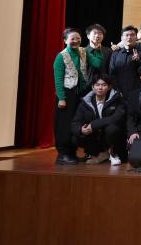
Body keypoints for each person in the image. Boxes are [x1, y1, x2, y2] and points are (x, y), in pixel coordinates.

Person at [71, 72, 127, 166]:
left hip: (113, 137)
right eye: (97, 85)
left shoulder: (117, 99)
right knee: (75, 137)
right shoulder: (85, 102)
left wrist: (94, 125)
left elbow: (117, 118)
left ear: (109, 87)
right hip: (95, 136)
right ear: (93, 87)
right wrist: (81, 129)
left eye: (104, 85)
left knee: (112, 129)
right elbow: (75, 122)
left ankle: (113, 153)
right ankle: (96, 154)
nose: (100, 88)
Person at [53, 28, 89, 164]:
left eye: (78, 38)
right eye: (72, 39)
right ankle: (62, 154)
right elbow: (58, 79)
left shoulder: (82, 52)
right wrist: (61, 98)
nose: (76, 41)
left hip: (79, 93)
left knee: (76, 122)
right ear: (65, 40)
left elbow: (97, 63)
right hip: (66, 94)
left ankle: (72, 152)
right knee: (64, 124)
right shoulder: (61, 56)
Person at [109, 25, 141, 101]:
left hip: (136, 93)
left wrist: (137, 61)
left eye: (132, 35)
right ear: (122, 38)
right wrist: (117, 90)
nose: (129, 37)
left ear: (136, 37)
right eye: (126, 35)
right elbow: (112, 73)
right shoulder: (116, 53)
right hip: (118, 93)